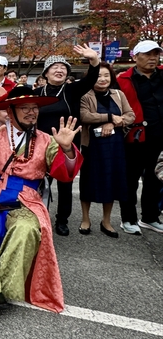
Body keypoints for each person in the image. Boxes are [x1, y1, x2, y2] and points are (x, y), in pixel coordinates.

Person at [0, 86, 83, 313]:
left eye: (34, 108)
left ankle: (5, 288)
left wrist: (67, 149)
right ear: (10, 112)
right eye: (24, 108)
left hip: (25, 197)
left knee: (26, 227)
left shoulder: (47, 139)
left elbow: (63, 173)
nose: (31, 113)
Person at [33, 45, 100, 236]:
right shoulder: (37, 93)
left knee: (65, 184)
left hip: (67, 145)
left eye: (63, 67)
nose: (60, 70)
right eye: (54, 67)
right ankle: (36, 215)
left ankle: (62, 220)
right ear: (45, 73)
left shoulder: (72, 90)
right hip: (41, 144)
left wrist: (93, 60)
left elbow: (91, 79)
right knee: (37, 181)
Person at [79, 63, 134, 237]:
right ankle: (85, 219)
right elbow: (85, 116)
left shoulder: (118, 94)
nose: (102, 79)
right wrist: (109, 117)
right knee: (88, 181)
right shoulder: (85, 95)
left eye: (106, 76)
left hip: (115, 145)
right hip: (92, 146)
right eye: (98, 76)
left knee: (112, 181)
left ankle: (106, 221)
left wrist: (113, 123)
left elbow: (130, 115)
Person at [117, 40, 163, 234]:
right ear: (135, 57)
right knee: (130, 179)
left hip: (160, 135)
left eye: (156, 54)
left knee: (155, 178)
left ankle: (150, 217)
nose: (153, 58)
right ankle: (128, 219)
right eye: (147, 54)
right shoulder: (123, 79)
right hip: (135, 136)